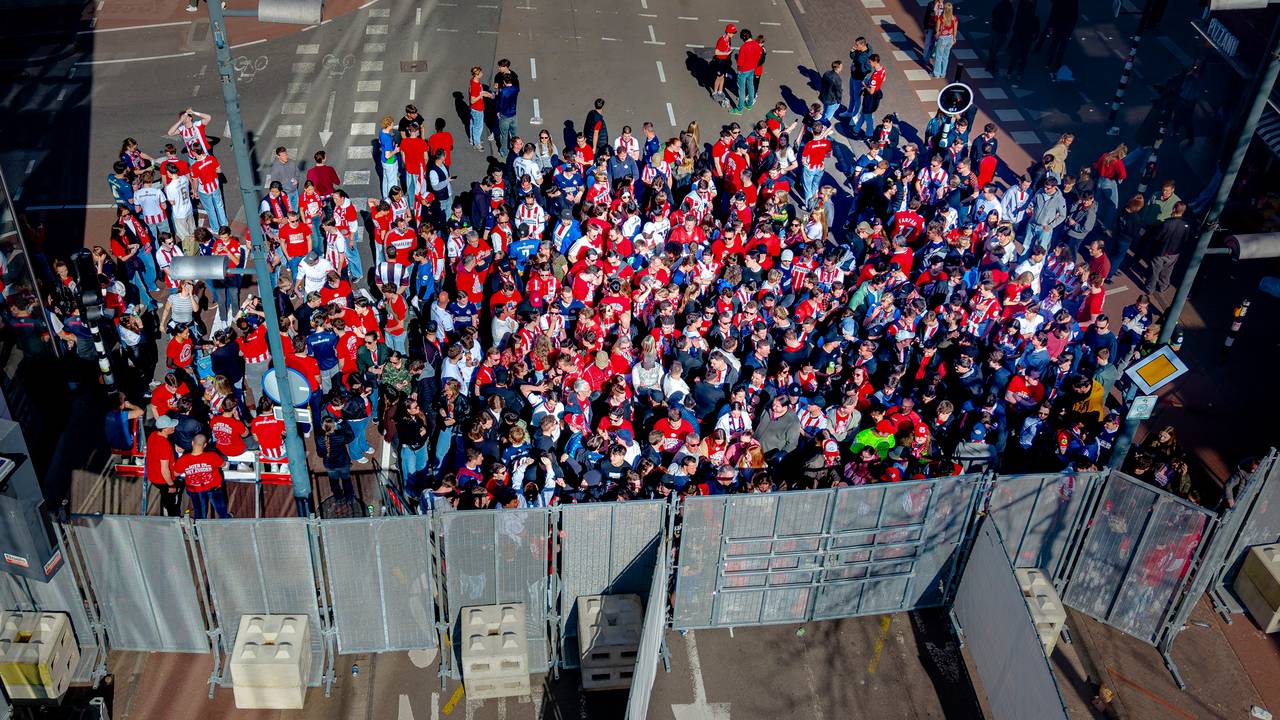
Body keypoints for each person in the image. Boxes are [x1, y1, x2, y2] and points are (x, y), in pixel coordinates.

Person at [172, 433, 229, 519]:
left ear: (192, 443)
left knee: (199, 514)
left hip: (195, 489)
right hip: (213, 487)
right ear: (205, 445)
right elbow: (223, 464)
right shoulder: (212, 456)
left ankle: (198, 530)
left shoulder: (183, 459)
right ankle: (226, 523)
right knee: (221, 511)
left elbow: (175, 473)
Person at [1146, 201, 1190, 296]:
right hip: (1174, 253)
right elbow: (1185, 240)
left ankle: (1150, 288)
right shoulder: (1186, 225)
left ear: (1174, 209)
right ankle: (1163, 286)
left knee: (1155, 271)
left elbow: (1157, 237)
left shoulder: (1167, 223)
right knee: (1168, 270)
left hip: (1161, 251)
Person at [145, 415, 183, 516]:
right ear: (165, 429)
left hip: (153, 475)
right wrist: (171, 485)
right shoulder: (164, 445)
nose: (173, 427)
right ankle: (173, 518)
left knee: (166, 494)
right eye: (171, 426)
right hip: (163, 480)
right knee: (171, 500)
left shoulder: (153, 435)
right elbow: (165, 470)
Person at [316, 416, 357, 500]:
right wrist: (343, 423)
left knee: (334, 481)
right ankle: (349, 496)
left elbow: (320, 454)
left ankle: (338, 496)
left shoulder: (319, 438)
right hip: (343, 462)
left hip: (329, 464)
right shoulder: (340, 435)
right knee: (346, 480)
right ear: (334, 426)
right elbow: (351, 437)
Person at [732, 29, 763, 114]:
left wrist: (738, 68)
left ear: (743, 38)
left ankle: (739, 109)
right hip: (752, 69)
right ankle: (749, 104)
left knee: (741, 90)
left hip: (743, 71)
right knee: (751, 86)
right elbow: (759, 57)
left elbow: (740, 63)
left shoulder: (744, 48)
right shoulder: (757, 45)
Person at [494, 59, 521, 154]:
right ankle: (515, 149)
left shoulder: (502, 91)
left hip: (504, 115)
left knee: (504, 134)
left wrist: (499, 91)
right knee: (514, 133)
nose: (499, 68)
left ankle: (504, 151)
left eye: (500, 66)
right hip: (513, 113)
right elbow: (517, 89)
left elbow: (498, 99)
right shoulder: (515, 88)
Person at [467, 66, 494, 151]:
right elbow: (473, 100)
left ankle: (473, 140)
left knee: (473, 124)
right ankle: (477, 143)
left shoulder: (473, 81)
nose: (482, 73)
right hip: (477, 109)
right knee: (478, 127)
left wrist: (486, 94)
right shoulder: (475, 85)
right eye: (481, 72)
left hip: (473, 109)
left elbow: (478, 92)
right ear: (476, 75)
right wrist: (481, 95)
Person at [932, 3, 959, 79]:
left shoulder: (941, 18)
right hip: (950, 39)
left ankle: (936, 73)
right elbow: (955, 30)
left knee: (938, 56)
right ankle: (943, 73)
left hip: (942, 39)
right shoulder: (954, 19)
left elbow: (937, 30)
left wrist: (936, 35)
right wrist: (954, 38)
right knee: (945, 57)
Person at [987, 0, 1014, 73]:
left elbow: (994, 13)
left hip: (997, 28)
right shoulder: (1009, 8)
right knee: (996, 47)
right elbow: (1009, 20)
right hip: (1001, 30)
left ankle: (991, 62)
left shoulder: (1000, 5)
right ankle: (991, 63)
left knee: (994, 46)